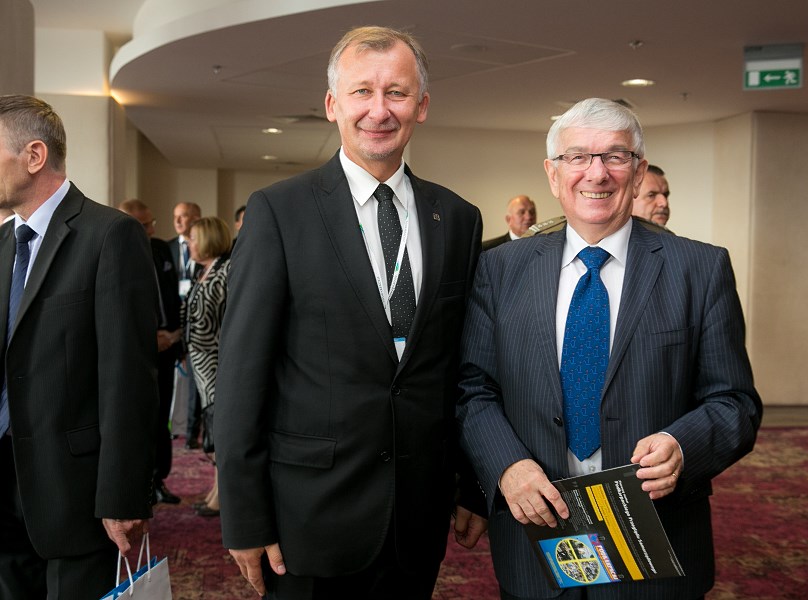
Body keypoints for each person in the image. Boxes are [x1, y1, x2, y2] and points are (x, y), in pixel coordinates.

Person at [215, 25, 487, 599]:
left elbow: (462, 370)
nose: (379, 110)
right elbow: (242, 377)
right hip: (308, 515)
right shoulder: (279, 212)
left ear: (422, 105)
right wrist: (244, 516)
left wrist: (472, 486)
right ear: (332, 104)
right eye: (362, 91)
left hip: (417, 515)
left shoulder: (458, 219)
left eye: (397, 92)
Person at [457, 98, 763, 600]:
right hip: (536, 539)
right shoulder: (499, 269)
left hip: (657, 544)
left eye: (616, 156)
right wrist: (507, 466)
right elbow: (473, 389)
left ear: (639, 172)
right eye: (577, 157)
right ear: (553, 174)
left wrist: (683, 445)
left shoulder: (700, 270)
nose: (596, 173)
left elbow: (735, 403)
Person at [0, 95, 158, 599]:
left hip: (72, 488)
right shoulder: (3, 243)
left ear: (34, 155)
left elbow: (128, 378)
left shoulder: (110, 234)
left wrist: (123, 493)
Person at [117, 199, 183, 505]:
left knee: (161, 416)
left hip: (167, 345)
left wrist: (174, 336)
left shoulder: (160, 249)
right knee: (136, 419)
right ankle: (137, 483)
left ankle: (159, 479)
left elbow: (173, 295)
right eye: (144, 225)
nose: (151, 230)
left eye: (151, 223)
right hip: (135, 353)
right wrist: (147, 338)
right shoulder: (114, 251)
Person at [181, 217, 231, 518]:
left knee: (220, 432)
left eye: (193, 239)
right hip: (201, 366)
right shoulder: (203, 270)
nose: (189, 244)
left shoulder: (226, 270)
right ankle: (216, 491)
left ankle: (222, 497)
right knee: (213, 429)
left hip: (218, 363)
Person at [168, 201, 203, 449]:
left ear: (196, 218)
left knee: (193, 382)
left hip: (197, 323)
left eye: (184, 216)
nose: (178, 221)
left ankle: (192, 431)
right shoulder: (167, 248)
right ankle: (172, 427)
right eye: (176, 216)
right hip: (172, 322)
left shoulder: (205, 248)